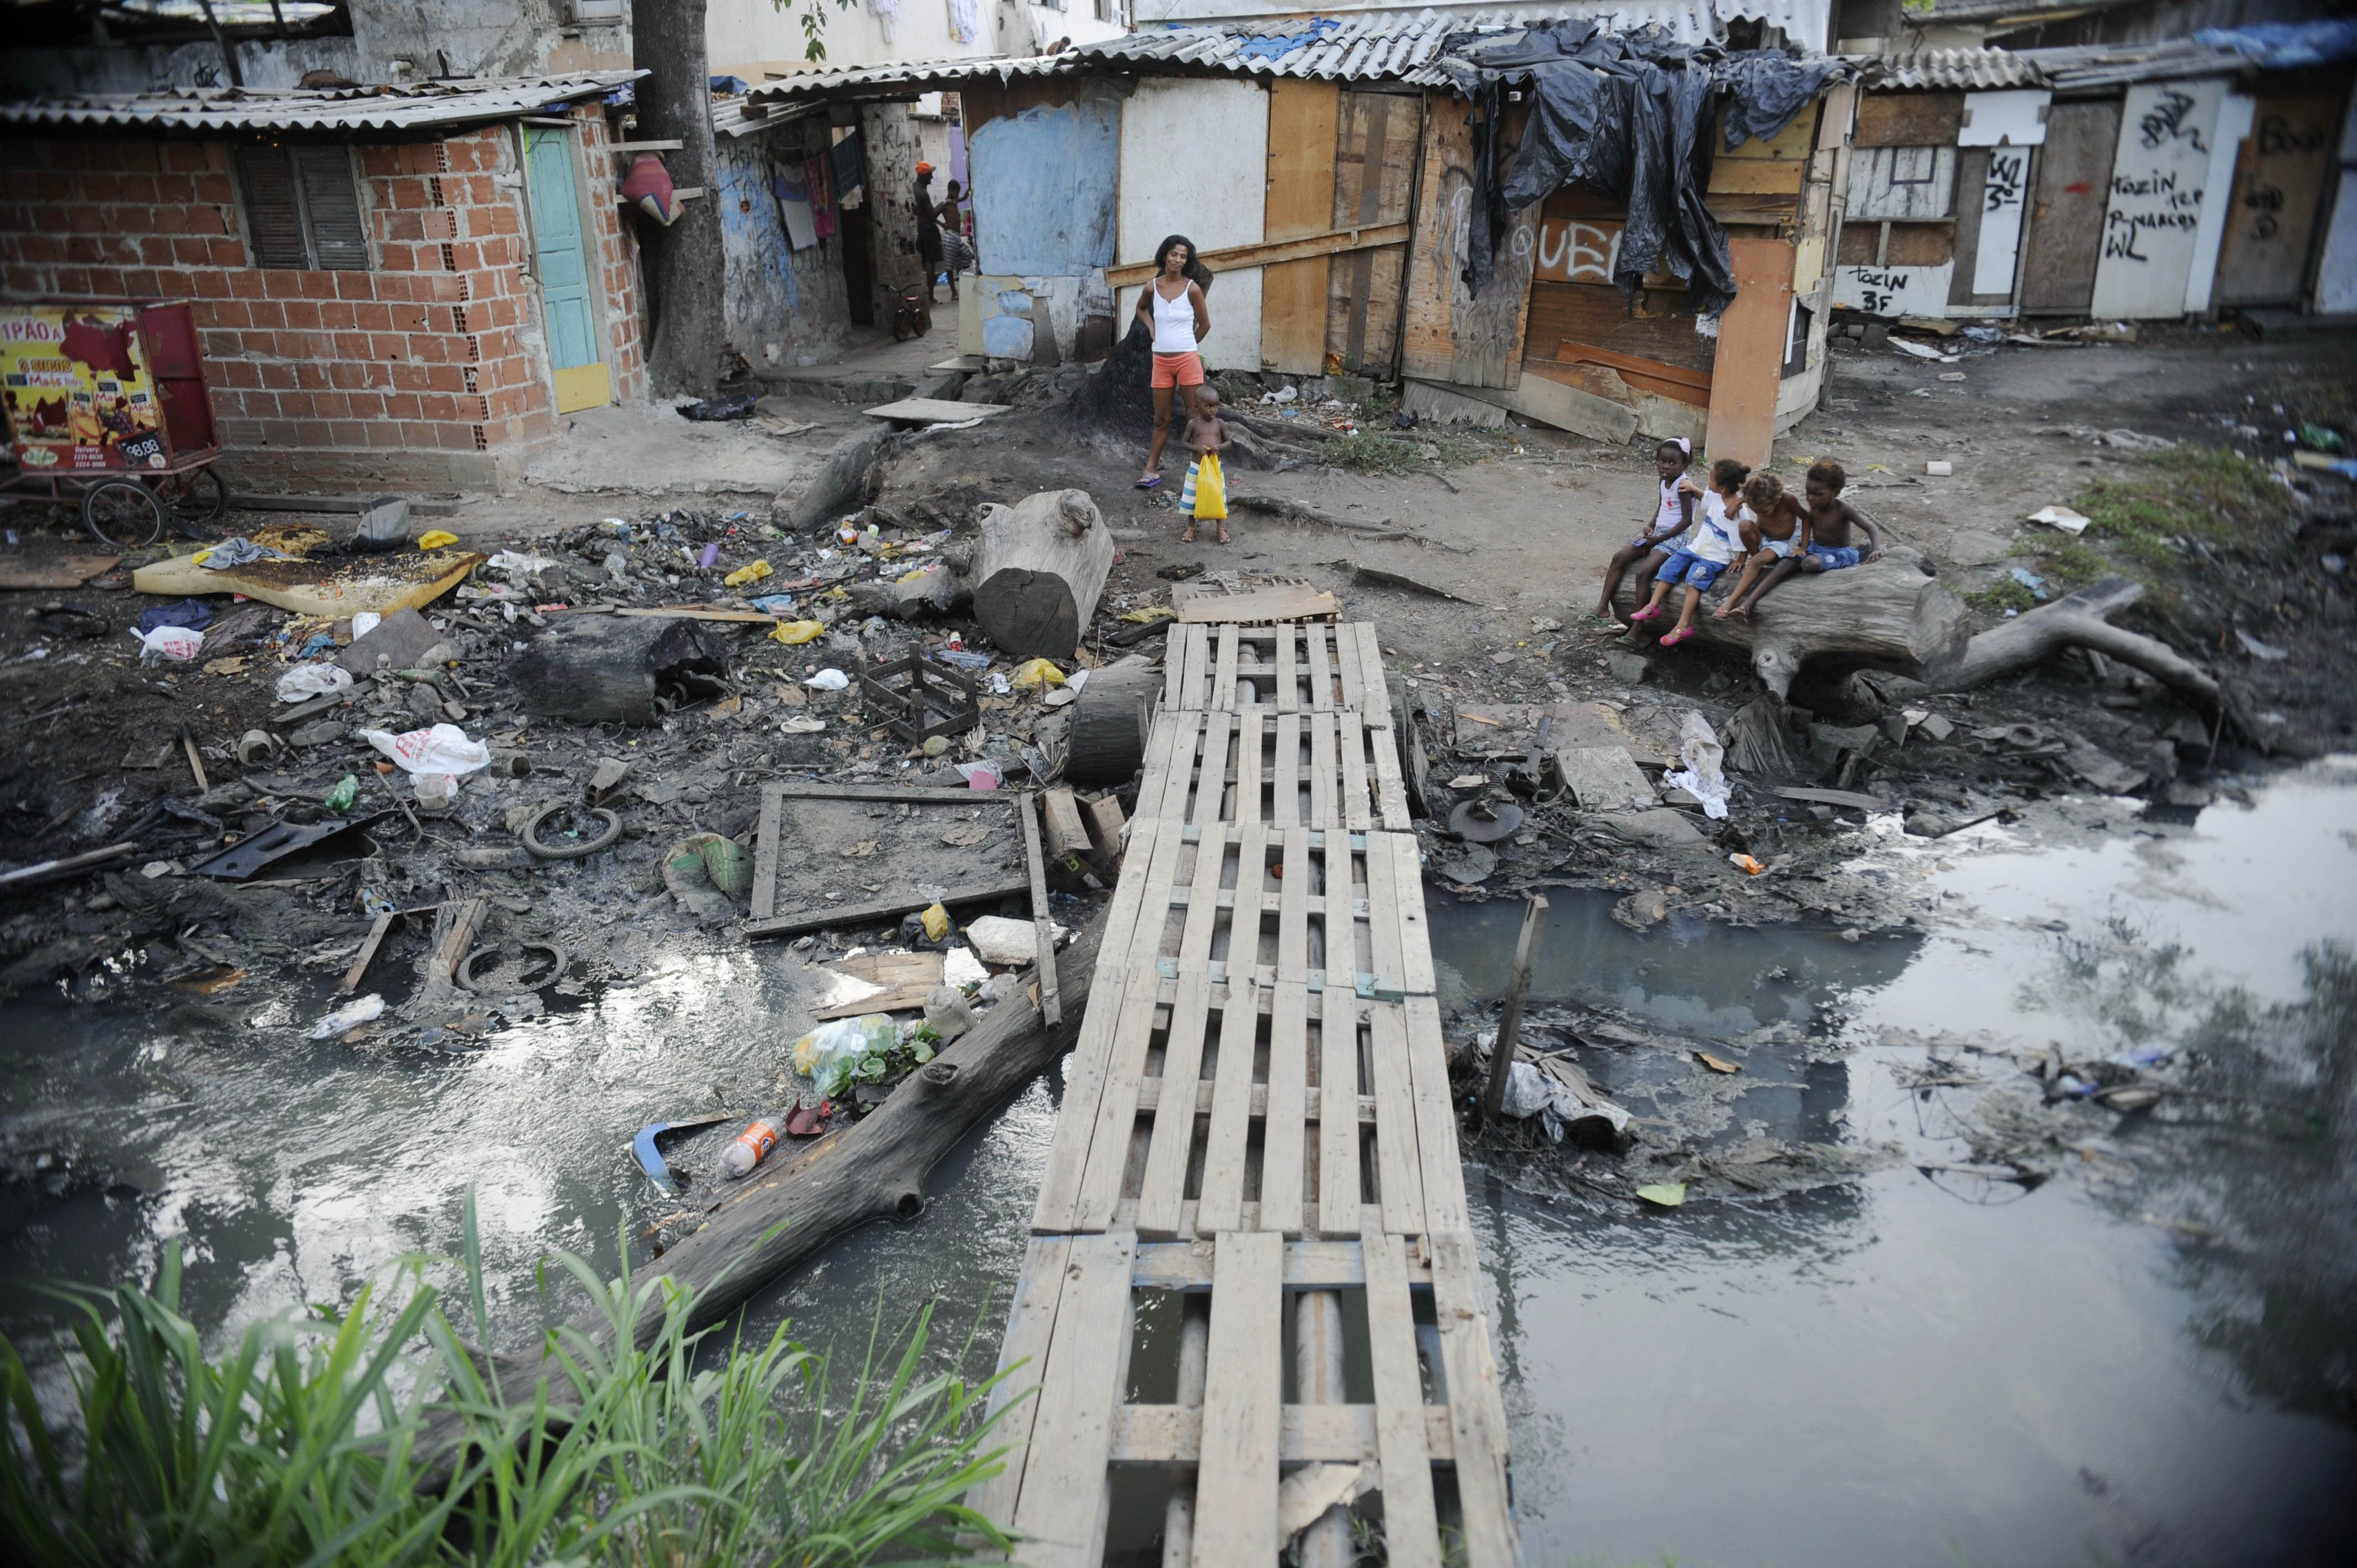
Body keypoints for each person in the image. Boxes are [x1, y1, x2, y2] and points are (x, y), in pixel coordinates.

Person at [1721, 459, 1883, 616]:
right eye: (1808, 493)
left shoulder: (1843, 509)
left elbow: (1871, 528)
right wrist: (1803, 548)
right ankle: (1746, 606)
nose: (1811, 498)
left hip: (1836, 554)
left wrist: (1876, 548)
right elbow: (1758, 494)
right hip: (1815, 549)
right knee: (1785, 564)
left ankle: (1751, 594)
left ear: (1835, 492)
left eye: (1818, 494)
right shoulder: (1816, 506)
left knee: (1810, 563)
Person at [1628, 457, 1750, 648]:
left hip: (1714, 558)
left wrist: (1742, 559)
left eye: (1711, 478)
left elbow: (1743, 537)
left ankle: (1683, 626)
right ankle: (1652, 606)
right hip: (1696, 548)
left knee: (1693, 582)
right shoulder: (1716, 496)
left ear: (1724, 487)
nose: (1708, 481)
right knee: (1669, 568)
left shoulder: (1737, 512)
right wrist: (1693, 489)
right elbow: (1705, 497)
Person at [1134, 234, 1211, 489]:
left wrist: (1188, 345)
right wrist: (1152, 327)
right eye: (1174, 254)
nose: (1178, 260)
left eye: (1183, 256)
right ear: (1165, 255)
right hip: (1161, 363)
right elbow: (1141, 309)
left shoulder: (1193, 289)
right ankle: (1151, 469)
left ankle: (1201, 471)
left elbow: (1205, 325)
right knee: (1161, 419)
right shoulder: (1152, 287)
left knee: (1194, 416)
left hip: (1187, 360)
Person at [1593, 436, 1697, 621]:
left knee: (1643, 574)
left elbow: (1687, 521)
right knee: (1619, 558)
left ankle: (1639, 626)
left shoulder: (1683, 486)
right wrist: (1651, 525)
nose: (1665, 466)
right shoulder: (1663, 480)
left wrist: (1659, 539)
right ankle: (1602, 607)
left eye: (1672, 463)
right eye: (1662, 461)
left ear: (1684, 465)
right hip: (1658, 533)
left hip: (1675, 537)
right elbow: (1662, 506)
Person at [1714, 471, 1810, 620]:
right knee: (1745, 526)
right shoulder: (1756, 496)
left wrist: (1803, 546)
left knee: (1756, 561)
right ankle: (1757, 562)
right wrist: (1736, 503)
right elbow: (1747, 497)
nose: (1760, 513)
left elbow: (1806, 517)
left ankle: (1731, 601)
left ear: (1776, 500)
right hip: (1763, 538)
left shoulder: (1788, 499)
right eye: (1756, 511)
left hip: (1782, 544)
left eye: (1763, 511)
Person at [1179, 385, 1231, 545]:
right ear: (1197, 406)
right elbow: (1184, 443)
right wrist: (1196, 448)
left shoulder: (1220, 423)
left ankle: (1221, 528)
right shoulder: (1193, 424)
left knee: (1217, 496)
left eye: (1216, 405)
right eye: (1209, 406)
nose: (1213, 409)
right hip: (1196, 467)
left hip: (1215, 468)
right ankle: (1191, 527)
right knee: (1193, 497)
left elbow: (1229, 442)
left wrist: (1220, 447)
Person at [935, 179, 972, 300]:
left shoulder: (954, 201)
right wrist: (942, 225)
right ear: (950, 191)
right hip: (950, 236)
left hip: (957, 237)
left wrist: (971, 184)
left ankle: (965, 286)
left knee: (967, 256)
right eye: (956, 192)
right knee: (949, 267)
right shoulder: (944, 203)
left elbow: (965, 197)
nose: (957, 195)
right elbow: (933, 215)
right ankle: (954, 293)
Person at [913, 162, 944, 303]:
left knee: (925, 262)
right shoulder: (923, 194)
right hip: (927, 230)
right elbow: (932, 215)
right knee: (930, 264)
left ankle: (927, 296)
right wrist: (944, 203)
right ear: (924, 176)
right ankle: (931, 297)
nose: (932, 178)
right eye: (930, 175)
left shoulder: (914, 189)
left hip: (920, 229)